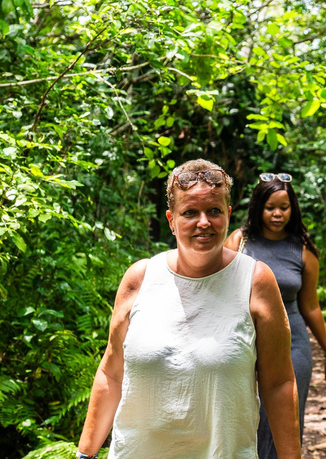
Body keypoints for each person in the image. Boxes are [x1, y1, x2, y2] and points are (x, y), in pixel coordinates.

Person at [76, 159, 300, 459]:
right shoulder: (140, 278)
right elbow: (111, 374)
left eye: (214, 211)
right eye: (190, 212)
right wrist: (85, 454)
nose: (204, 222)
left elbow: (278, 384)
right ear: (171, 219)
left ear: (228, 215)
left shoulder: (254, 280)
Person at [224, 172, 326, 459]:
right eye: (270, 207)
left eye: (284, 208)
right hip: (244, 341)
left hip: (293, 345)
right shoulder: (239, 241)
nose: (277, 214)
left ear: (293, 209)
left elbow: (310, 305)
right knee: (249, 416)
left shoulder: (303, 251)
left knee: (285, 420)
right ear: (258, 207)